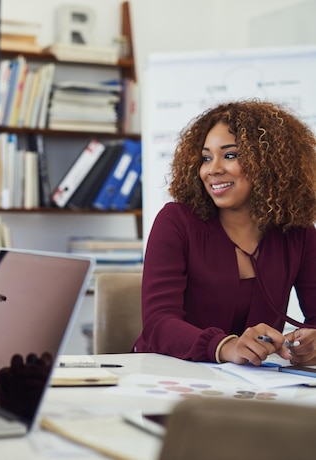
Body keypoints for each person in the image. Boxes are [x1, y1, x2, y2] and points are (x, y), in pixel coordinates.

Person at [134, 100, 316, 366]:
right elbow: (158, 323)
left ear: (270, 165)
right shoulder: (176, 221)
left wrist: (310, 342)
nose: (213, 169)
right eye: (206, 158)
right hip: (169, 374)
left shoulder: (297, 232)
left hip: (253, 386)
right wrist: (225, 346)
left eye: (230, 155)